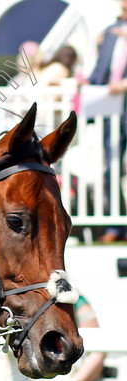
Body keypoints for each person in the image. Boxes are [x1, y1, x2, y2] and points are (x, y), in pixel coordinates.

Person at [86, 0, 127, 240]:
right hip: (112, 113)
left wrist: (123, 85)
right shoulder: (112, 32)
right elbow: (102, 67)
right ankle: (116, 225)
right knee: (111, 168)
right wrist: (89, 82)